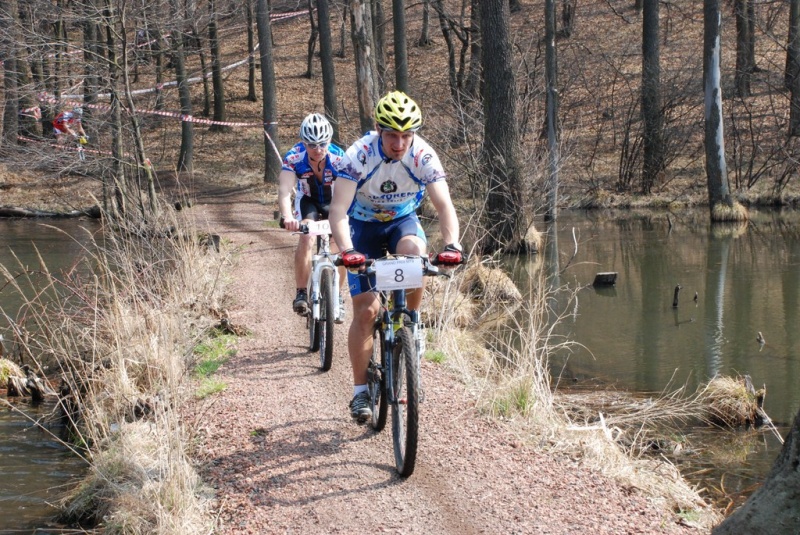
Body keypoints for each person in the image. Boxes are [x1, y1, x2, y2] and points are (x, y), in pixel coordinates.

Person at [329, 91, 464, 423]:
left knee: (415, 254)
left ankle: (410, 324)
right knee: (366, 311)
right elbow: (337, 210)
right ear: (378, 128)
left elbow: (444, 206)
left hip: (402, 221)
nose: (400, 143)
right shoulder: (358, 155)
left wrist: (453, 245)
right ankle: (360, 393)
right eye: (392, 134)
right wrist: (348, 251)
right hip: (362, 226)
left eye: (407, 135)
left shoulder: (423, 155)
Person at [278, 112, 347, 318]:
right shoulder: (293, 157)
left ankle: (338, 295)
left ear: (329, 140)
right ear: (303, 143)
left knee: (340, 244)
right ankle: (301, 293)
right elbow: (284, 190)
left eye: (323, 144)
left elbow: (349, 191)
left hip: (333, 202)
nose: (318, 150)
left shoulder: (340, 158)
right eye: (312, 145)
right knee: (306, 236)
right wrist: (287, 216)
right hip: (308, 200)